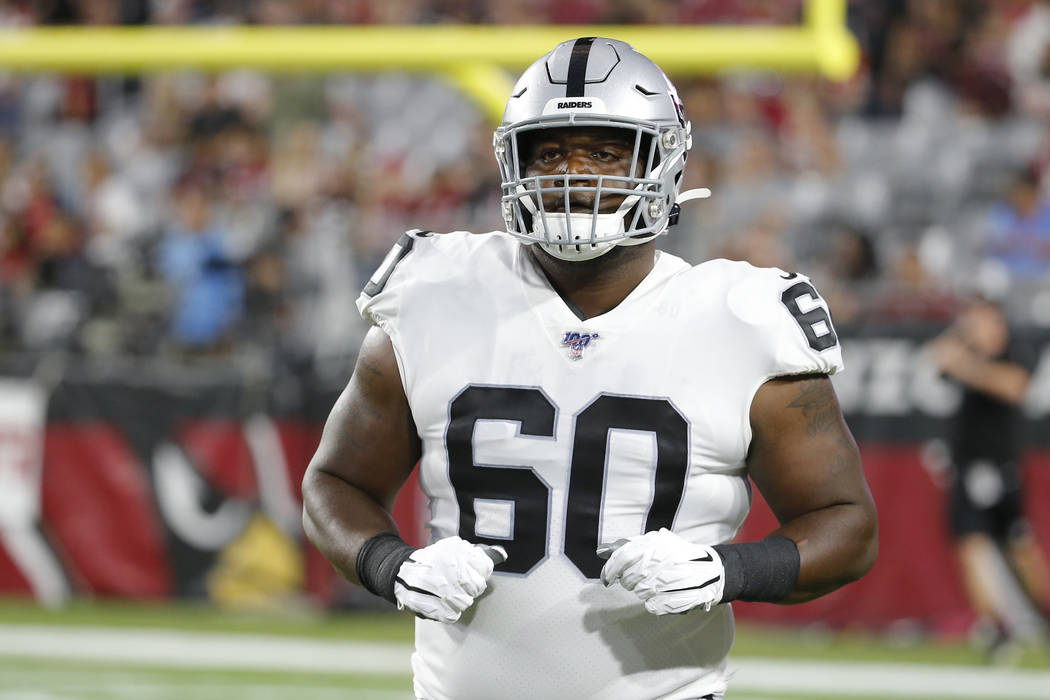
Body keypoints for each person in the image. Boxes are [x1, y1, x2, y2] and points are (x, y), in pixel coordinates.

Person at [302, 37, 878, 700]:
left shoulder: (741, 318)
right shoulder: (436, 291)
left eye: (604, 151)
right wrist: (392, 566)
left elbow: (846, 524)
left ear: (665, 161)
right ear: (513, 162)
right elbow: (336, 482)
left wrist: (726, 571)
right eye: (549, 152)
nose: (574, 174)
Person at [928, 296, 1050, 656]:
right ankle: (995, 624)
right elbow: (937, 358)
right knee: (975, 541)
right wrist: (963, 341)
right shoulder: (969, 349)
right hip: (969, 463)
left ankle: (1027, 618)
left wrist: (967, 363)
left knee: (1011, 544)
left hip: (996, 463)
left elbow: (1013, 386)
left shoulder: (1015, 349)